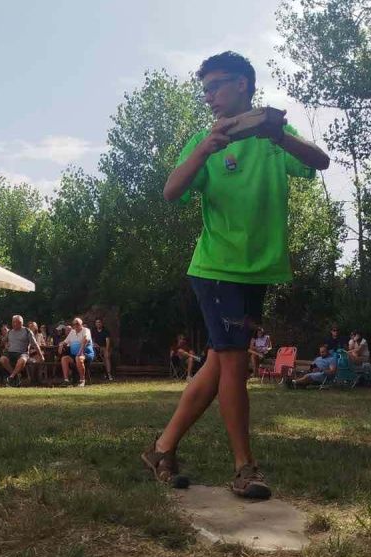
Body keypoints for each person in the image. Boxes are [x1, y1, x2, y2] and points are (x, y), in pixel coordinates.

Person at [141, 51, 329, 500]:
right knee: (234, 363)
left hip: (256, 271)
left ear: (243, 84)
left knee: (217, 365)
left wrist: (278, 134)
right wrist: (204, 149)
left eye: (216, 86)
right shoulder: (204, 140)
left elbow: (319, 162)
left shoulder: (272, 135)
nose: (209, 97)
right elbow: (170, 192)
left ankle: (161, 449)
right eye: (204, 90)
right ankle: (244, 467)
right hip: (216, 269)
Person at [0, 315, 43, 387]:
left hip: (22, 353)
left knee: (22, 360)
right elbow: (2, 341)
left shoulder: (27, 331)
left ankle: (11, 377)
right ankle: (15, 376)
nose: (14, 324)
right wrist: (5, 343)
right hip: (10, 352)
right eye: (13, 322)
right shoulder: (10, 332)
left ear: (21, 323)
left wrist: (41, 356)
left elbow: (35, 344)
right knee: (2, 359)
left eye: (16, 322)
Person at [59, 317, 94, 387]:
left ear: (81, 324)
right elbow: (65, 342)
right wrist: (61, 345)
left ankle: (82, 381)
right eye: (74, 324)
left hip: (86, 354)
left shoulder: (86, 330)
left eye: (77, 324)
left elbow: (85, 340)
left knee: (78, 358)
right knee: (64, 359)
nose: (75, 325)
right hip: (75, 355)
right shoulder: (72, 332)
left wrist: (80, 352)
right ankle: (66, 381)